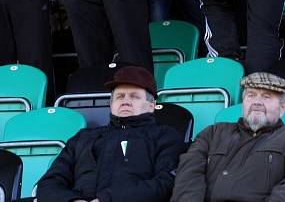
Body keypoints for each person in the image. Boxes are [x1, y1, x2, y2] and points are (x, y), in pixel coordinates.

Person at [36, 66, 184, 201]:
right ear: (111, 103)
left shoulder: (164, 136)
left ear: (152, 105)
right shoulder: (83, 137)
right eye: (119, 96)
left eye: (134, 96)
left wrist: (106, 199)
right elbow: (48, 184)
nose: (125, 101)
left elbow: (166, 183)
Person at [171, 72, 285, 201]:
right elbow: (188, 176)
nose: (257, 102)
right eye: (251, 95)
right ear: (243, 103)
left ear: (282, 108)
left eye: (266, 97)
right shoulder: (212, 133)